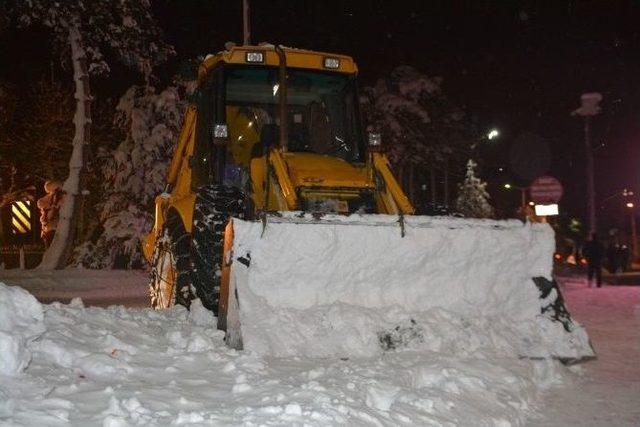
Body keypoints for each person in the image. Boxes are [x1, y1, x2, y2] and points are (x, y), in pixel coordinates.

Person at [37, 181, 64, 247]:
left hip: (52, 227)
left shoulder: (59, 196)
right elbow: (41, 203)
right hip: (50, 227)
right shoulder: (53, 197)